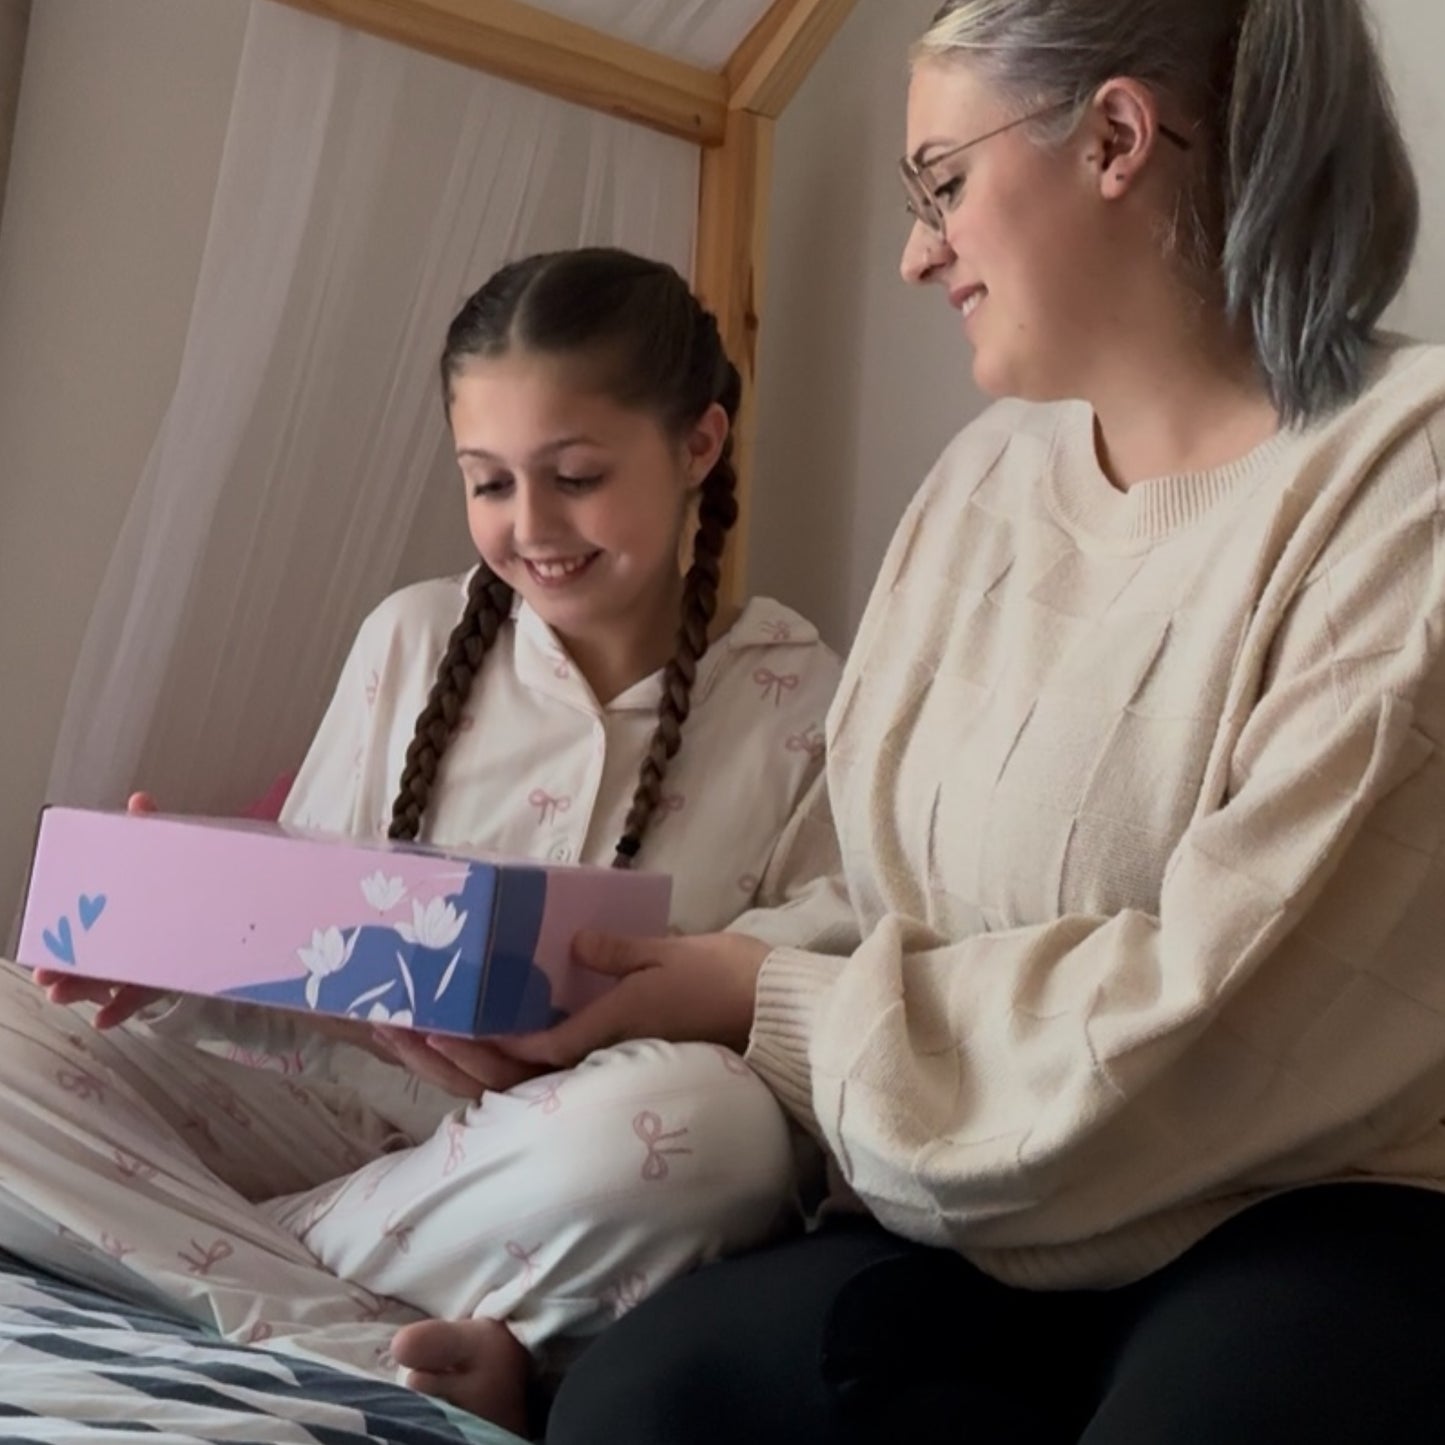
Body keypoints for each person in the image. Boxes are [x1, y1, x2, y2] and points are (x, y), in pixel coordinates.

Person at [490, 5, 1445, 1443]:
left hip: (1303, 1210)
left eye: (940, 183)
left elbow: (1219, 1014)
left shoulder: (1405, 478)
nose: (915, 252)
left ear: (1115, 139)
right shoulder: (983, 481)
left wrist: (764, 997)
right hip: (974, 1210)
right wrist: (625, 1000)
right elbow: (877, 899)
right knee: (637, 1404)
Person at [3, 247, 839, 1436]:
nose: (530, 525)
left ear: (699, 443)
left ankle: (193, 1257)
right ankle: (361, 1338)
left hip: (554, 1174)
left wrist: (636, 1017)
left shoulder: (805, 701)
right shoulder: (410, 638)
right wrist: (181, 959)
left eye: (576, 476)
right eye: (488, 482)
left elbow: (817, 1014)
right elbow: (301, 977)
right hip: (318, 1137)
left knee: (718, 1134)